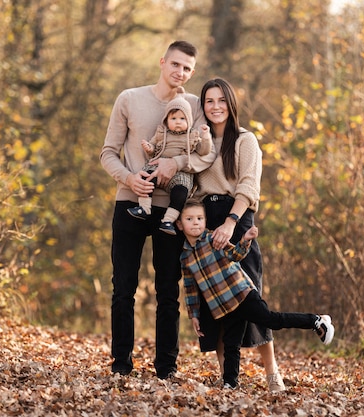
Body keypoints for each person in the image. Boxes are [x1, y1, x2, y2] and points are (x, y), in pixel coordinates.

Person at [100, 40, 216, 379]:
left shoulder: (195, 106)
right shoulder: (129, 99)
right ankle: (121, 364)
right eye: (176, 64)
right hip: (131, 203)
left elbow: (206, 154)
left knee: (169, 290)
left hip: (173, 210)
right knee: (123, 287)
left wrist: (175, 162)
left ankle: (166, 367)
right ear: (163, 62)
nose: (180, 72)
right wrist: (129, 179)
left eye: (187, 68)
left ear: (191, 73)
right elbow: (108, 152)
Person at [177, 201, 334, 389]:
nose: (196, 223)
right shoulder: (185, 257)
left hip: (242, 294)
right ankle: (230, 383)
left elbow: (236, 254)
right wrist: (193, 315)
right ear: (179, 224)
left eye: (200, 218)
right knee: (231, 345)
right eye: (189, 219)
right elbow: (190, 288)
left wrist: (245, 239)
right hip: (223, 306)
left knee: (271, 320)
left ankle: (316, 321)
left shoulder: (213, 238)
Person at [194, 77, 285, 391]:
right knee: (215, 301)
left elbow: (249, 186)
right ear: (202, 106)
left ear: (230, 104)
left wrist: (231, 224)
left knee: (251, 299)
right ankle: (227, 377)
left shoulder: (246, 140)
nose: (215, 107)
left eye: (221, 100)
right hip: (206, 221)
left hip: (238, 218)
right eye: (209, 101)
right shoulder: (198, 142)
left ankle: (272, 373)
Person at [127, 92, 213, 235]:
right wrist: (149, 148)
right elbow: (154, 148)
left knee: (181, 193)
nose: (178, 121)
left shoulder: (192, 136)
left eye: (182, 118)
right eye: (173, 118)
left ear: (189, 120)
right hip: (157, 166)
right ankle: (144, 208)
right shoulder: (162, 132)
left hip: (181, 173)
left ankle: (168, 220)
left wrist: (205, 136)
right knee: (146, 178)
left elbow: (204, 151)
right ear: (166, 120)